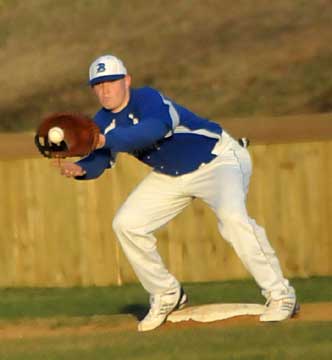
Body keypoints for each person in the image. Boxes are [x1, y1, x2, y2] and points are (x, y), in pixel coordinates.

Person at [54, 54, 299, 332]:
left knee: (233, 219)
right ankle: (167, 294)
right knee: (127, 224)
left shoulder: (149, 99)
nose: (105, 89)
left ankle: (281, 294)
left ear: (127, 81)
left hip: (219, 160)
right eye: (98, 85)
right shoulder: (101, 123)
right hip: (171, 175)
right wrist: (81, 169)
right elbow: (101, 159)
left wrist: (102, 140)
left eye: (111, 81)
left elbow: (152, 131)